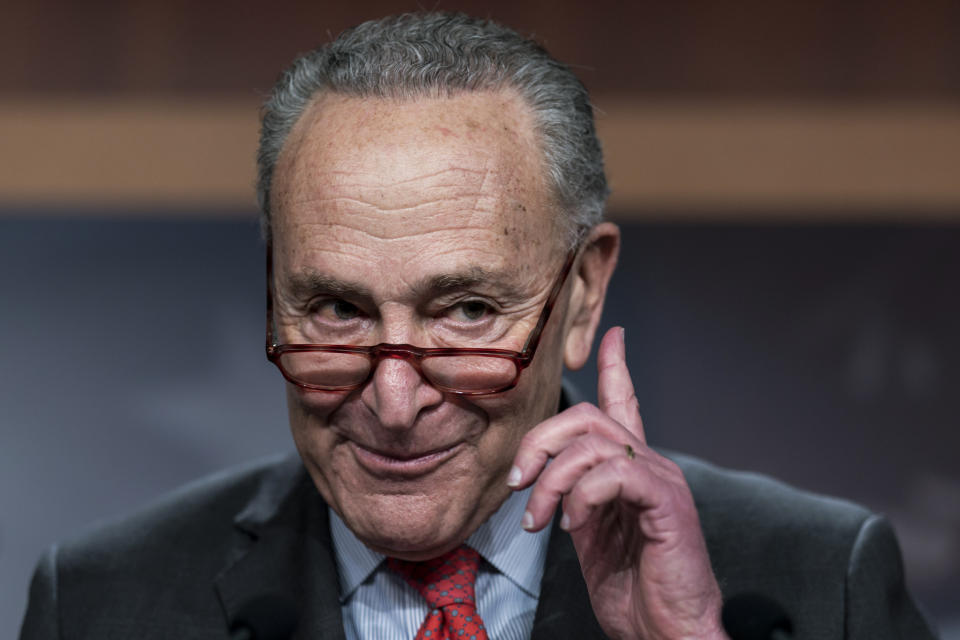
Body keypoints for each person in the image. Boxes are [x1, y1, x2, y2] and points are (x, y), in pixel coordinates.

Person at [20, 12, 936, 640]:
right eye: (337, 310)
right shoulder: (106, 601)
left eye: (464, 312)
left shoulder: (818, 583)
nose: (391, 397)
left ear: (582, 295)